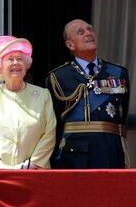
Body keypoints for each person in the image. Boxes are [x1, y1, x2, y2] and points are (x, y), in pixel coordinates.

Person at [45, 19, 129, 169]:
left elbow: (122, 115)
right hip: (74, 152)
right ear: (70, 44)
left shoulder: (118, 72)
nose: (88, 33)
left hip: (110, 148)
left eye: (90, 30)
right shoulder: (58, 77)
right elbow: (54, 123)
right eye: (81, 32)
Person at [0, 36, 56, 169]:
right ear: (0, 67)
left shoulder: (43, 95)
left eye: (19, 59)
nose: (15, 63)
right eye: (10, 59)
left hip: (35, 173)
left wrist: (31, 165)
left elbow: (50, 134)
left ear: (26, 65)